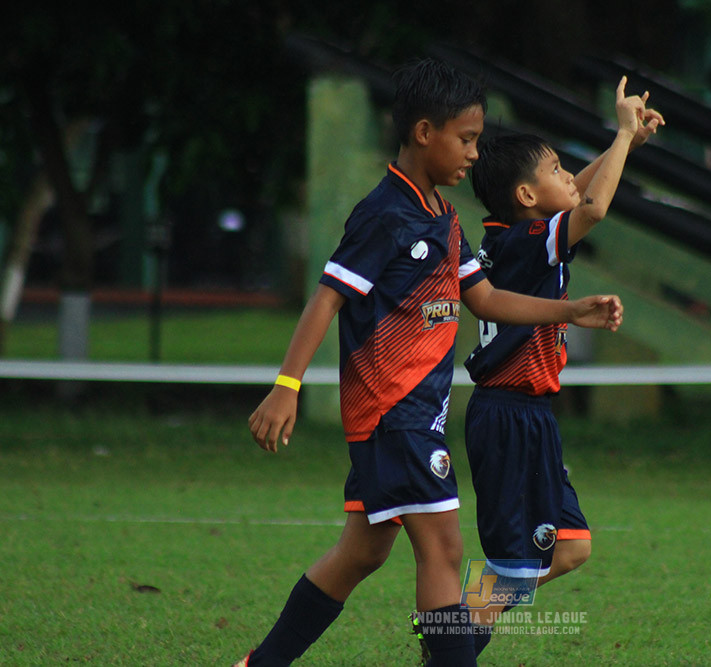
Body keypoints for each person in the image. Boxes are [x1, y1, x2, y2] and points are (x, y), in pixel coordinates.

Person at [233, 58, 624, 667]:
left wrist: (569, 310)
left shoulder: (444, 218)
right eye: (465, 139)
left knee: (362, 551)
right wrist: (287, 385)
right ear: (423, 132)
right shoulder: (385, 213)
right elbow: (327, 297)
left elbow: (486, 298)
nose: (474, 154)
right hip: (395, 417)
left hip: (415, 420)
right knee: (442, 552)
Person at [457, 76, 662, 653]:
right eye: (555, 172)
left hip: (530, 417)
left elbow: (577, 191)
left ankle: (460, 615)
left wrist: (627, 145)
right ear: (526, 197)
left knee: (571, 547)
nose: (569, 177)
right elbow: (592, 206)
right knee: (515, 575)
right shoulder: (526, 242)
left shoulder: (514, 232)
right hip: (507, 417)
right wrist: (621, 133)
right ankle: (453, 636)